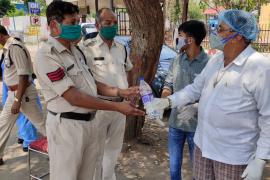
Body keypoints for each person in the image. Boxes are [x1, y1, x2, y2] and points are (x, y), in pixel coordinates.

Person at [147, 9, 269, 180]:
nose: (214, 33)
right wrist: (167, 102)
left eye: (220, 29)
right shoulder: (217, 60)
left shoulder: (260, 68)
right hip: (202, 147)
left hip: (232, 156)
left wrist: (261, 159)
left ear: (238, 35)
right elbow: (195, 89)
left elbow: (268, 117)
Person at [34, 2, 144, 180]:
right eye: (72, 23)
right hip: (67, 128)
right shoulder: (48, 55)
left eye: (78, 22)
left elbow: (92, 84)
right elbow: (74, 97)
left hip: (90, 123)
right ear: (54, 25)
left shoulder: (76, 51)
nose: (77, 27)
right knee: (67, 176)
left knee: (89, 174)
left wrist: (121, 93)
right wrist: (116, 107)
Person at [81, 8, 133, 180]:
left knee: (113, 150)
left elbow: (128, 70)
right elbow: (85, 82)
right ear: (98, 25)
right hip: (99, 107)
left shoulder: (122, 48)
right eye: (107, 23)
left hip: (121, 108)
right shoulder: (86, 48)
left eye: (115, 22)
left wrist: (130, 90)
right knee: (96, 152)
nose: (112, 26)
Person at [161, 20, 208, 180]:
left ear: (190, 39)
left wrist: (196, 106)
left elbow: (213, 96)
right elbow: (168, 85)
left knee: (199, 171)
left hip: (198, 127)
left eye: (179, 35)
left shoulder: (208, 64)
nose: (177, 39)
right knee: (174, 169)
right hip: (176, 124)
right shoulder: (176, 61)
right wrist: (163, 102)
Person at [0, 25, 46, 166]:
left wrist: (17, 100)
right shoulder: (7, 49)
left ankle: (64, 148)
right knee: (3, 124)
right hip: (14, 94)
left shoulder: (15, 47)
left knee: (42, 125)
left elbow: (24, 75)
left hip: (23, 94)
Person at [1, 62, 39, 152]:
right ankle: (26, 138)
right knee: (12, 119)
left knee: (27, 116)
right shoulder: (9, 51)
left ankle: (28, 140)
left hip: (20, 88)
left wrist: (17, 100)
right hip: (13, 87)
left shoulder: (16, 49)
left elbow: (23, 76)